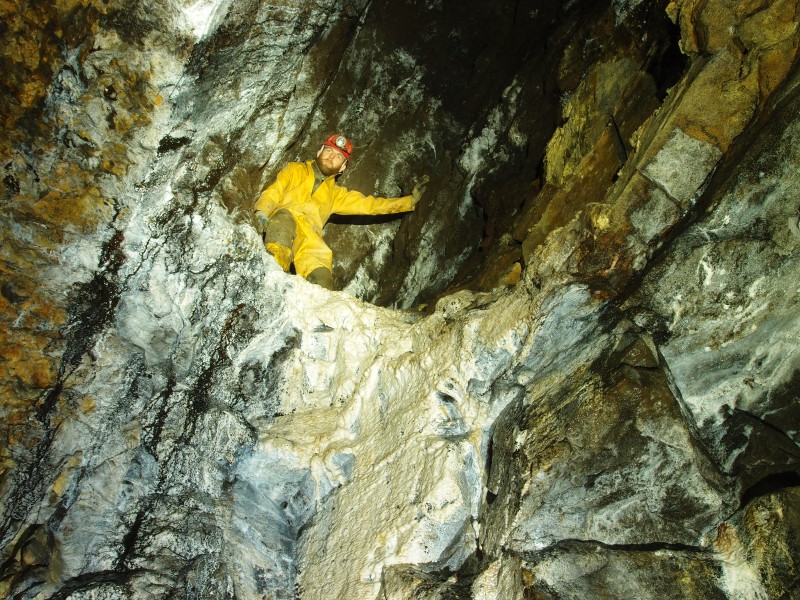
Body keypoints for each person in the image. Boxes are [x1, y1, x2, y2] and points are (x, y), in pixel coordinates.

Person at [253, 133, 427, 289]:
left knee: (322, 278)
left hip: (311, 237)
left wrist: (410, 201)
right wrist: (261, 211)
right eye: (329, 151)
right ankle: (271, 278)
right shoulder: (294, 170)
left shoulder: (336, 195)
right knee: (283, 222)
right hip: (284, 220)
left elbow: (371, 205)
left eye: (338, 156)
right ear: (319, 151)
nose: (331, 157)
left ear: (342, 167)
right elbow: (274, 191)